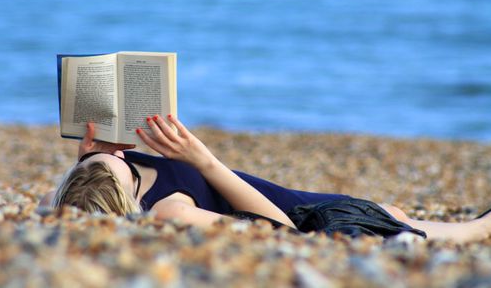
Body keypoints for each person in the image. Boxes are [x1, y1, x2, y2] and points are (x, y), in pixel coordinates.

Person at [41, 115, 491, 243]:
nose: (121, 153)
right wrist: (205, 160)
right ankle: (477, 230)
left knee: (391, 212)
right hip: (305, 215)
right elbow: (282, 233)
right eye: (120, 162)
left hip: (303, 200)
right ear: (125, 197)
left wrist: (86, 160)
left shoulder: (84, 189)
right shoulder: (169, 212)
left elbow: (74, 198)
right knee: (390, 220)